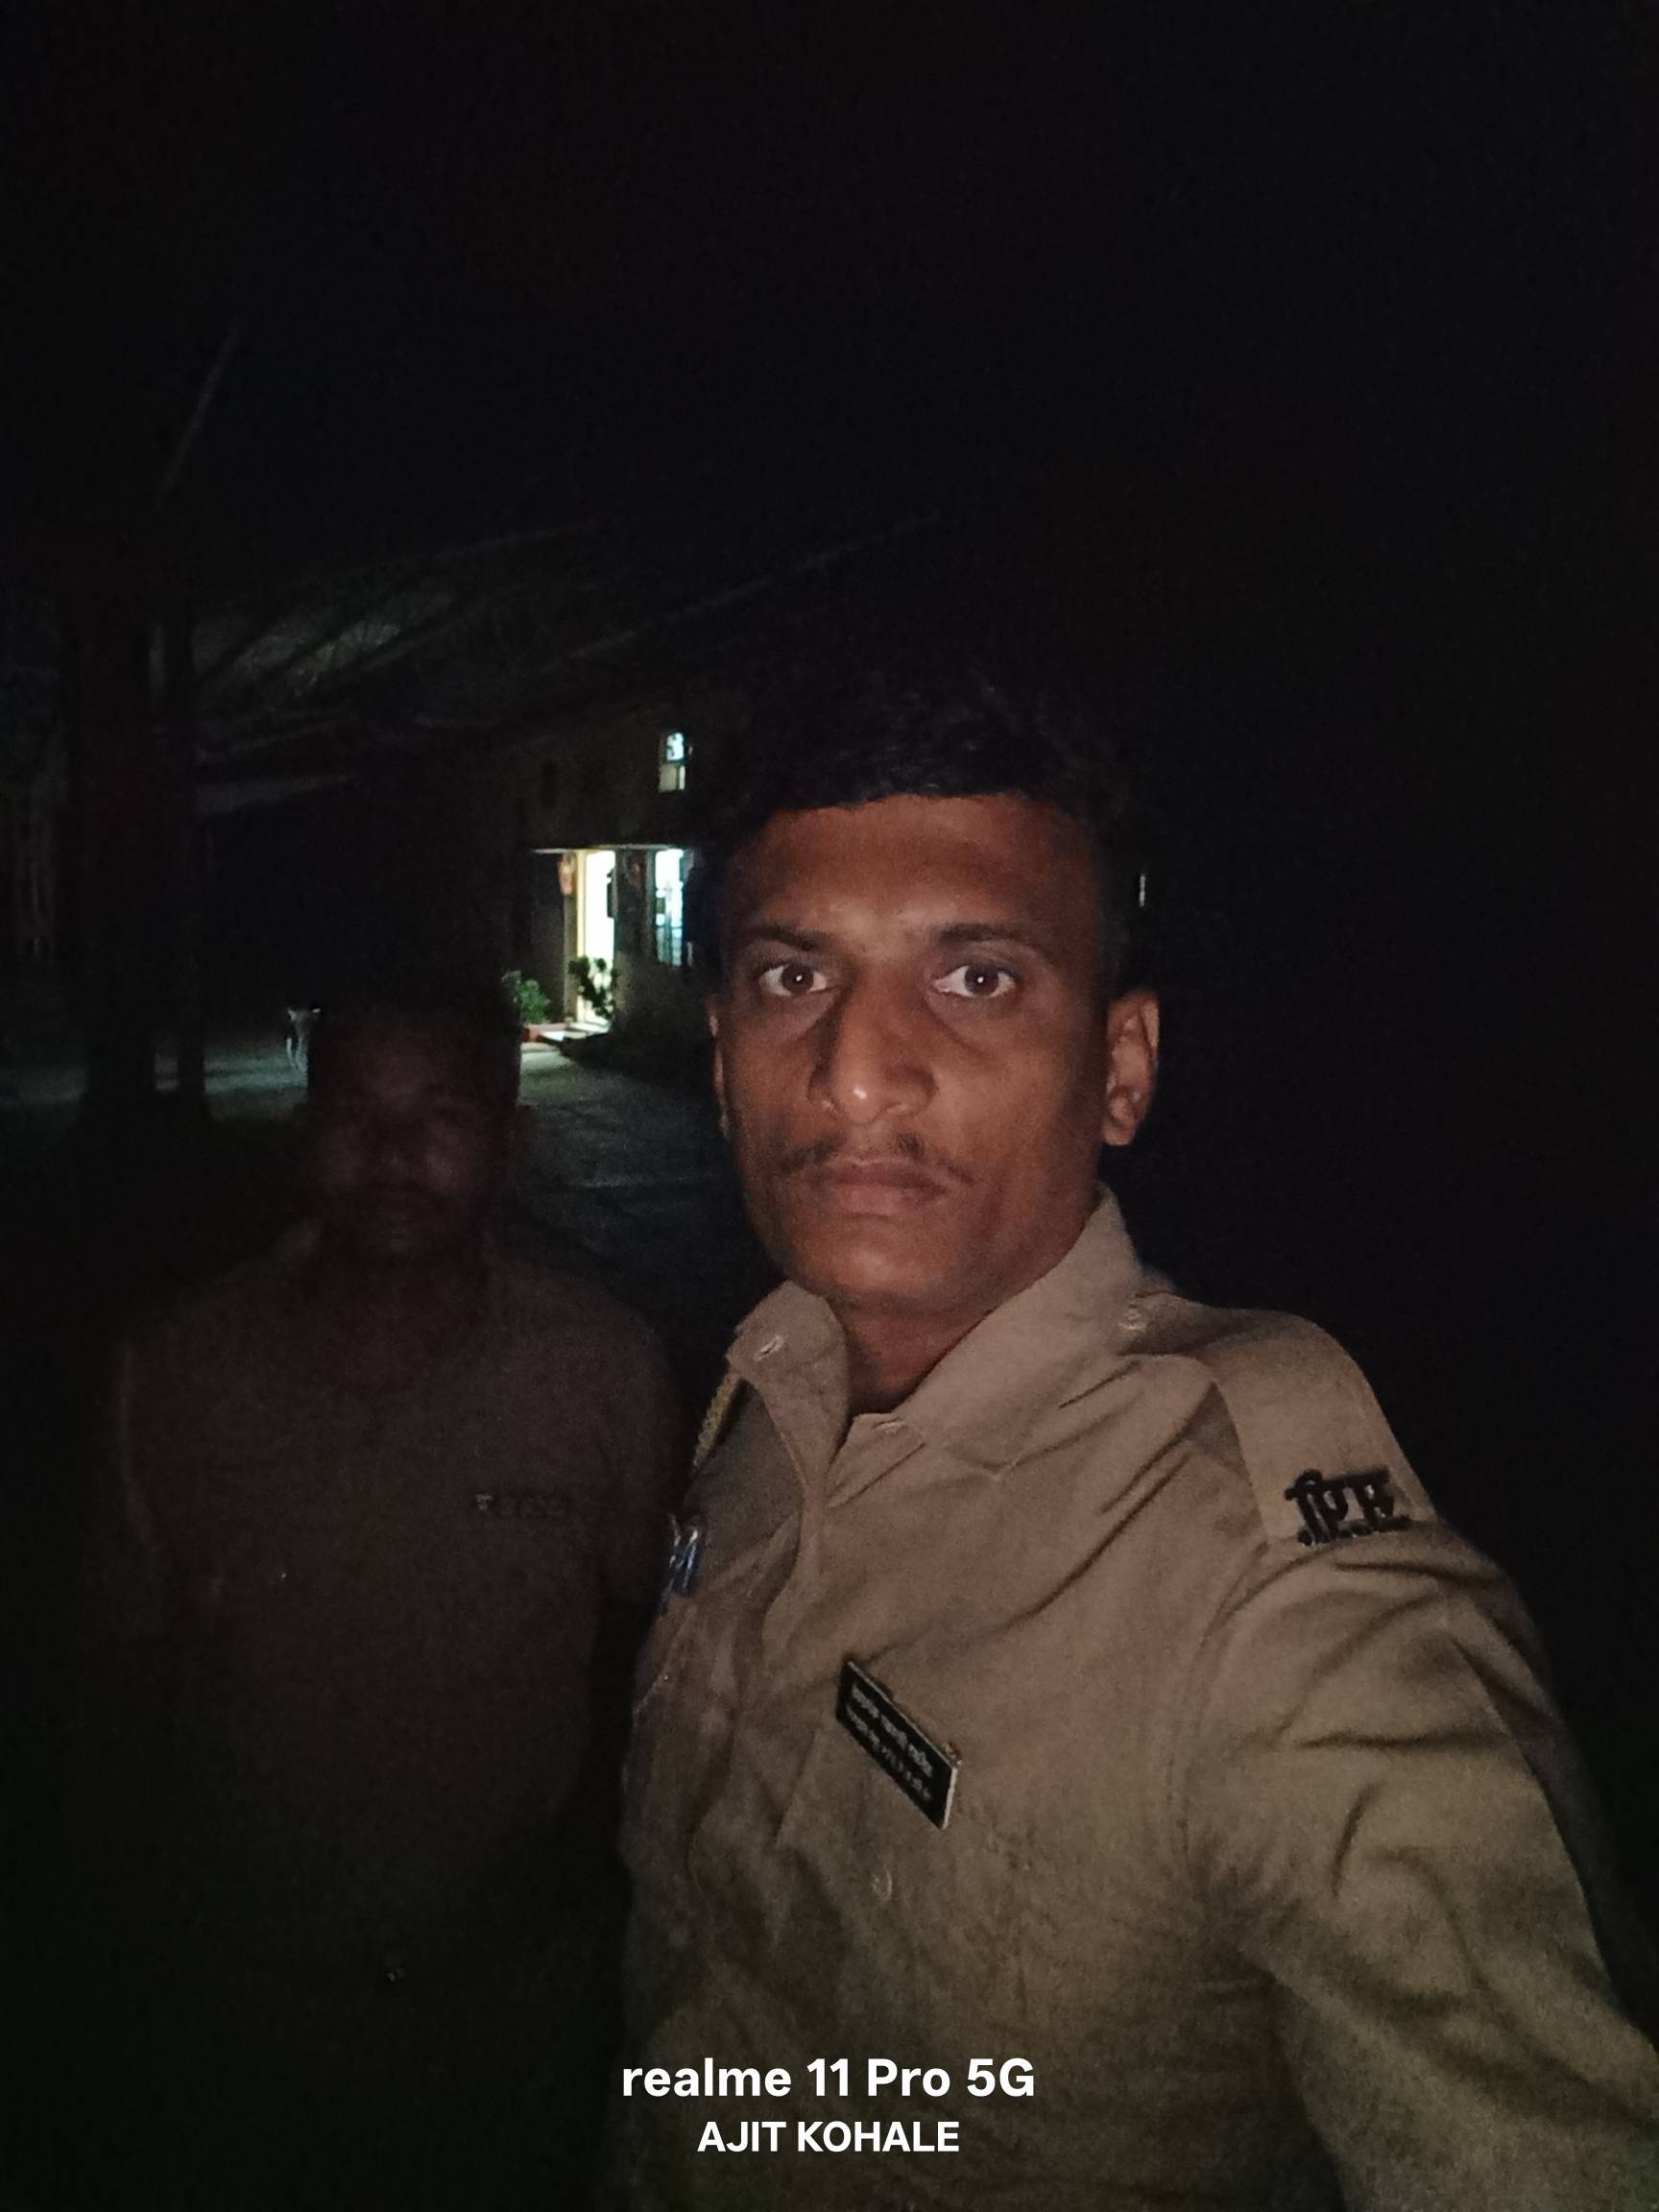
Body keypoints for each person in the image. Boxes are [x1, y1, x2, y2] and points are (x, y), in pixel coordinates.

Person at [614, 657, 1659, 2210]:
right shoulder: (760, 1389)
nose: (853, 1070)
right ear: (718, 1063)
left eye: (976, 979)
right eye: (791, 979)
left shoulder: (1288, 1607)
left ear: (1118, 1067)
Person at [74, 976, 682, 2210]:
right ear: (307, 1133)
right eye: (356, 1114)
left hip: (512, 2016)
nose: (394, 1154)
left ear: (509, 1140)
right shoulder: (175, 1372)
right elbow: (119, 1681)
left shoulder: (605, 1372)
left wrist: (584, 1859)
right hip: (245, 2014)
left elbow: (660, 1649)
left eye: (440, 1116)